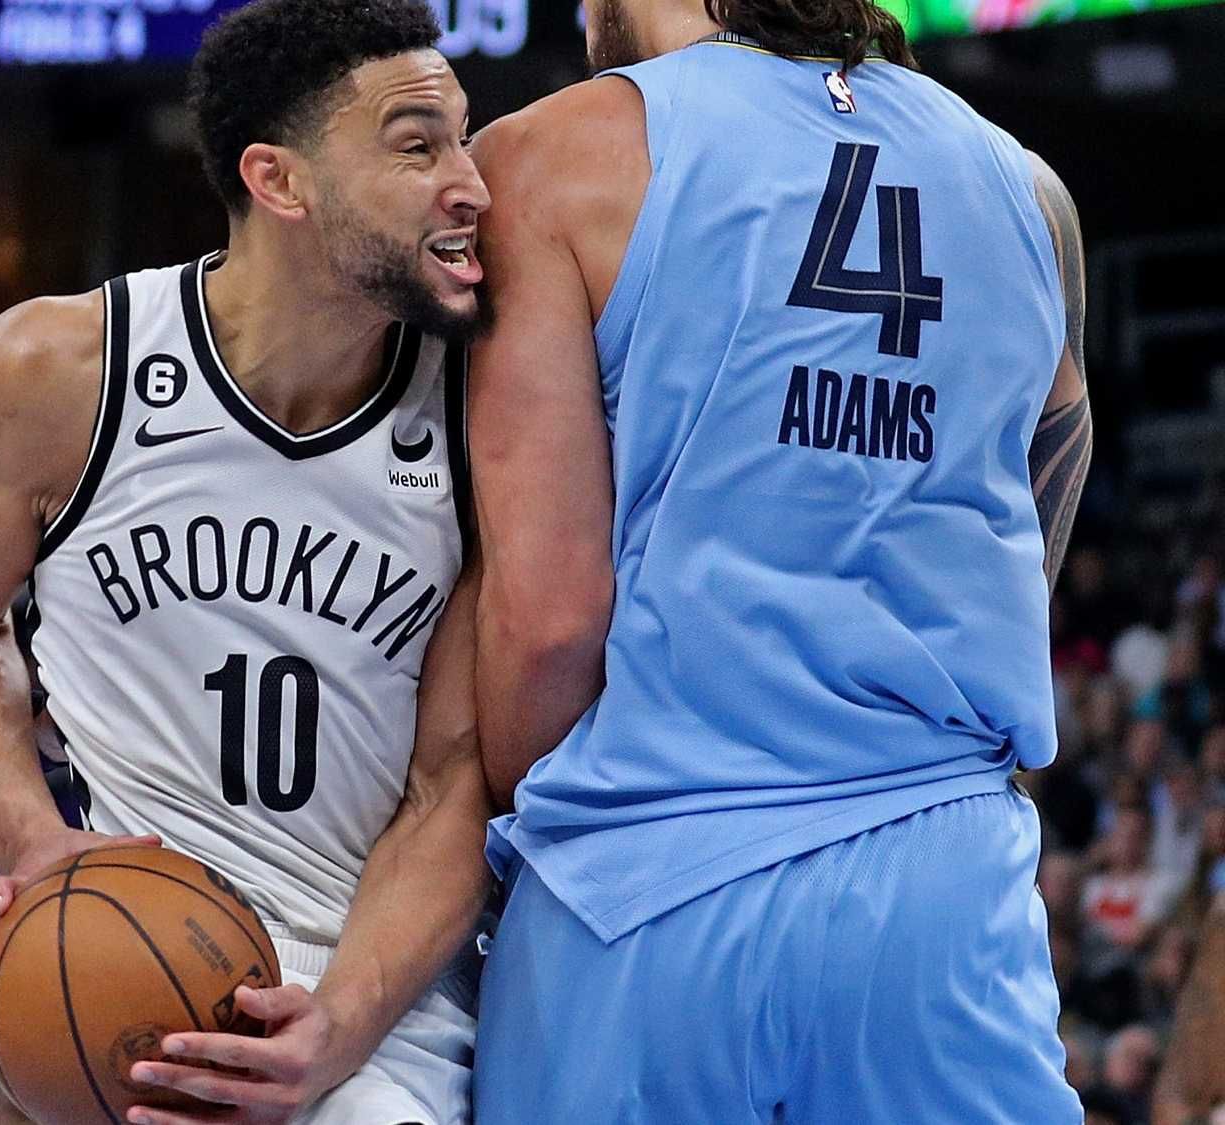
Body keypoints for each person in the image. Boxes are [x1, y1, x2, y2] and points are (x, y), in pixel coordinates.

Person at [466, 0, 1094, 1114]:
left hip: (646, 883)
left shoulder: (546, 155)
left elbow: (549, 619)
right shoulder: (1027, 188)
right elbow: (1049, 474)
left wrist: (537, 835)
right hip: (946, 892)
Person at [0, 0, 490, 1119]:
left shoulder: (483, 411)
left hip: (376, 993)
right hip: (138, 975)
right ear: (279, 181)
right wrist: (31, 839)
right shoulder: (59, 371)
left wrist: (339, 1027)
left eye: (465, 138)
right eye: (419, 148)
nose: (472, 184)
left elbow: (450, 785)